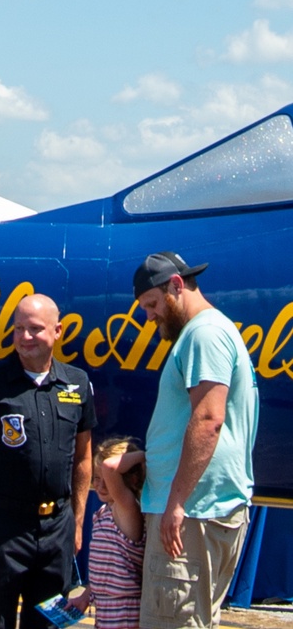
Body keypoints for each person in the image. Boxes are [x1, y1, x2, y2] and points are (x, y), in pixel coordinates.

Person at [0, 293, 96, 629]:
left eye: (35, 329)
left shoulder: (77, 383)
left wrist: (76, 522)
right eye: (19, 329)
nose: (25, 337)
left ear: (58, 331)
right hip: (2, 529)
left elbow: (84, 458)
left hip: (56, 529)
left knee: (48, 623)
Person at [132, 252, 259, 629]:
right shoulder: (217, 331)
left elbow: (208, 420)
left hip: (191, 515)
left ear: (176, 285)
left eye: (152, 305)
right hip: (207, 511)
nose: (150, 316)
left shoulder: (203, 334)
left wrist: (176, 501)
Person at [69, 438, 146, 629]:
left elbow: (109, 467)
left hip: (125, 615)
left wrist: (148, 455)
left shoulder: (127, 510)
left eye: (107, 480)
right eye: (96, 478)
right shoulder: (103, 513)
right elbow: (102, 573)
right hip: (105, 614)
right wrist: (86, 597)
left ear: (132, 480)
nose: (101, 486)